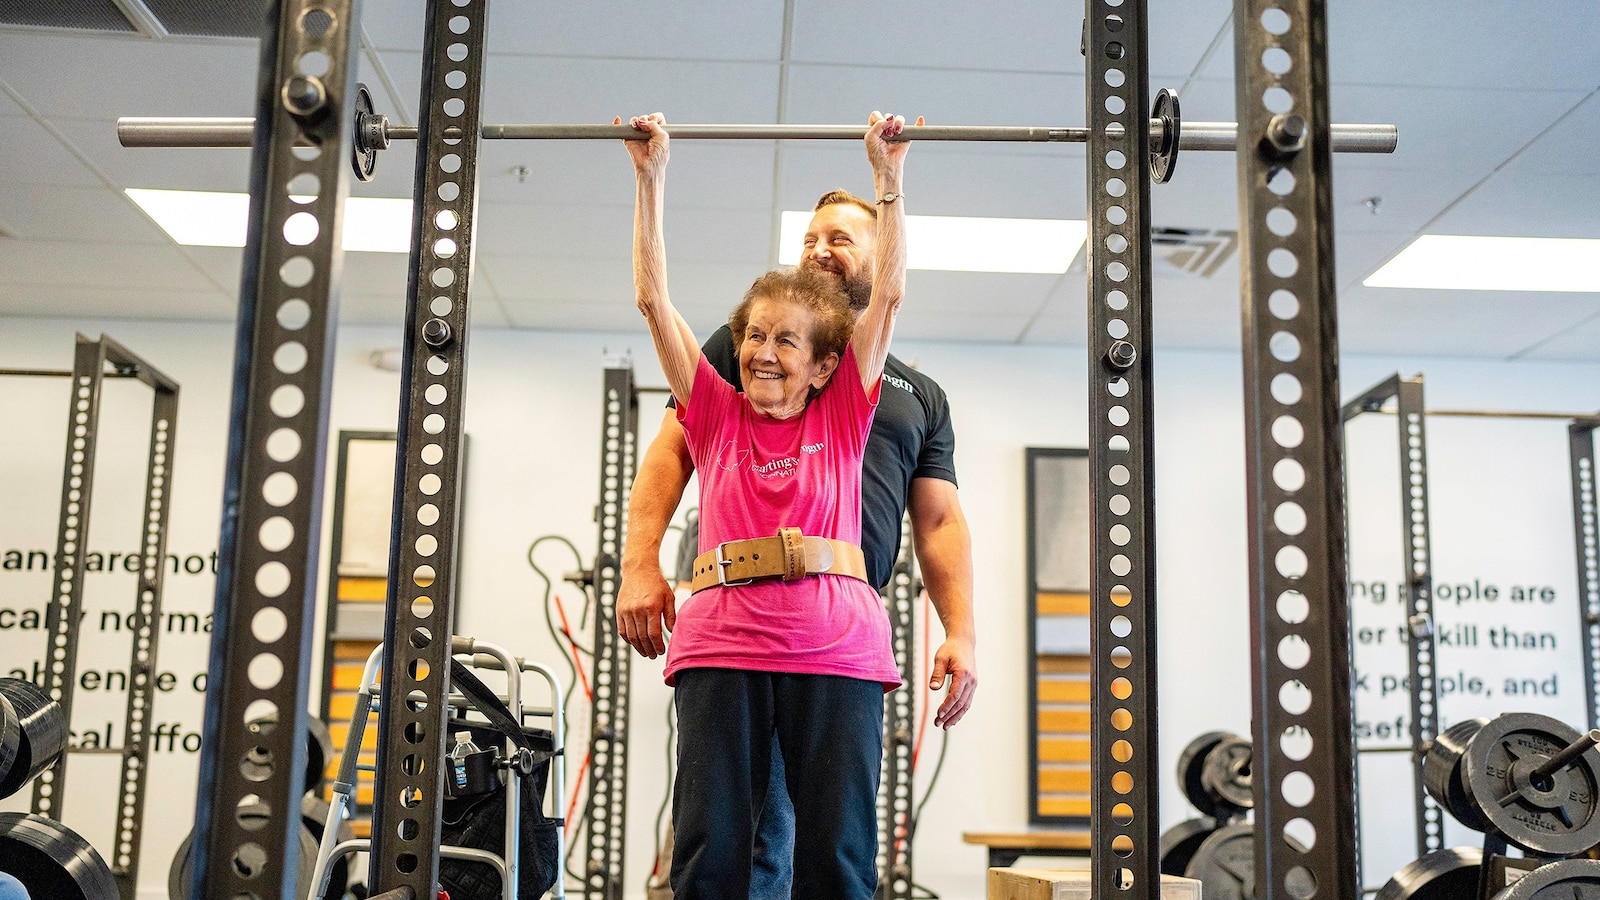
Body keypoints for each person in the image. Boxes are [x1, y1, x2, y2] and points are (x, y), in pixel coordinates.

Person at [620, 148, 979, 900]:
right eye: (755, 336)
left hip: (837, 643)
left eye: (786, 340)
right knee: (715, 857)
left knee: (838, 862)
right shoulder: (717, 401)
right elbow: (654, 303)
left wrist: (891, 184)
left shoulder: (861, 402)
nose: (763, 351)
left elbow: (890, 300)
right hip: (725, 639)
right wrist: (649, 181)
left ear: (824, 366)